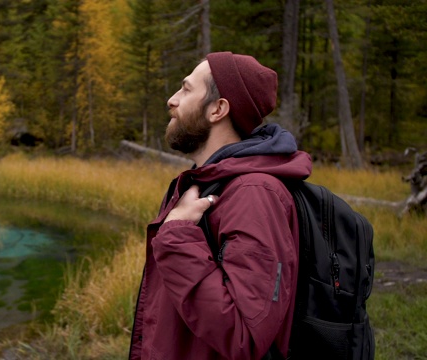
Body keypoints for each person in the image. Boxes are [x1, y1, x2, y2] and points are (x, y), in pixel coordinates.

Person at [128, 52, 313, 359]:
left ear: (218, 109)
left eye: (186, 90)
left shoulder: (255, 194)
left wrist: (176, 236)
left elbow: (245, 335)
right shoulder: (204, 184)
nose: (172, 100)